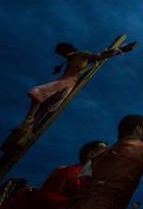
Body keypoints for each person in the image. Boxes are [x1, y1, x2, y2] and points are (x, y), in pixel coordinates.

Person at [2, 42, 134, 152]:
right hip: (62, 81)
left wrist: (121, 50)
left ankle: (28, 121)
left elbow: (99, 57)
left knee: (38, 93)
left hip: (66, 83)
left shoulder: (81, 54)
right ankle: (22, 136)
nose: (63, 56)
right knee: (41, 108)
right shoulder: (68, 60)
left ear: (67, 50)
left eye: (62, 53)